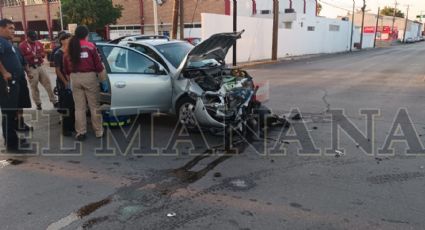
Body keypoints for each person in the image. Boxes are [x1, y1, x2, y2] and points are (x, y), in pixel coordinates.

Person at [64, 25, 104, 141]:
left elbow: (65, 63)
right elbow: (98, 64)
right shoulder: (90, 46)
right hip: (89, 78)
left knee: (79, 108)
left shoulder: (70, 47)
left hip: (75, 78)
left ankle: (81, 132)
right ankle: (98, 131)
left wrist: (69, 76)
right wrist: (102, 79)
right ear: (86, 35)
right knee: (94, 106)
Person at [0, 19, 30, 152]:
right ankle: (11, 143)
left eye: (14, 28)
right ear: (1, 28)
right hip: (7, 83)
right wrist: (5, 72)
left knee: (12, 112)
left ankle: (13, 138)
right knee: (8, 112)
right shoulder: (0, 41)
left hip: (15, 82)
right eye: (10, 28)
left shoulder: (7, 42)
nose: (13, 30)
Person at [19, 30, 58, 110]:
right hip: (31, 67)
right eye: (32, 38)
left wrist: (41, 55)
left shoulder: (38, 43)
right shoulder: (22, 45)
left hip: (40, 66)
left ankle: (54, 101)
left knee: (48, 84)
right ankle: (38, 104)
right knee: (34, 87)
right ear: (27, 37)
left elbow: (43, 53)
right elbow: (22, 58)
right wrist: (32, 56)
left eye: (35, 38)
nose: (34, 40)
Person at [54, 33, 75, 136]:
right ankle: (66, 130)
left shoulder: (70, 52)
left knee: (73, 106)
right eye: (68, 39)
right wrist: (65, 82)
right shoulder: (58, 53)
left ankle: (72, 126)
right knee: (67, 106)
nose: (70, 41)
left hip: (72, 81)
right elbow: (57, 70)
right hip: (64, 83)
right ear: (62, 41)